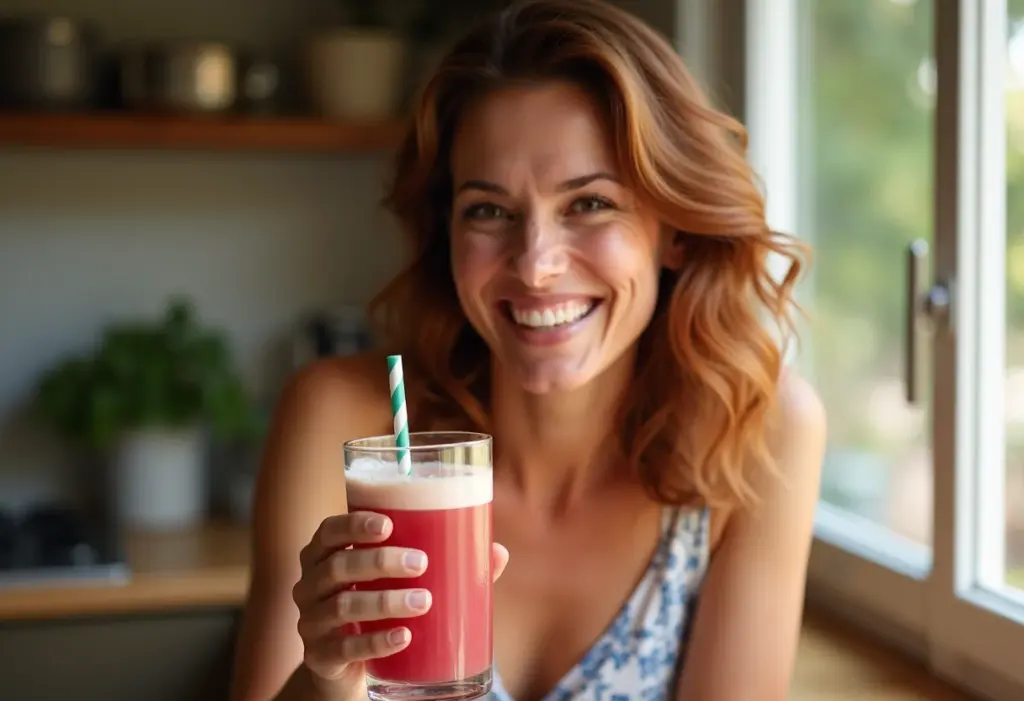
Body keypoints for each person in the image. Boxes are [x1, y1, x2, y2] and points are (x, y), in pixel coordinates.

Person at [229, 0, 827, 699]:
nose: (535, 262)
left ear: (676, 229)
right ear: (445, 232)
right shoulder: (343, 419)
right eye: (488, 210)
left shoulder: (758, 425)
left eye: (589, 203)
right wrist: (330, 677)